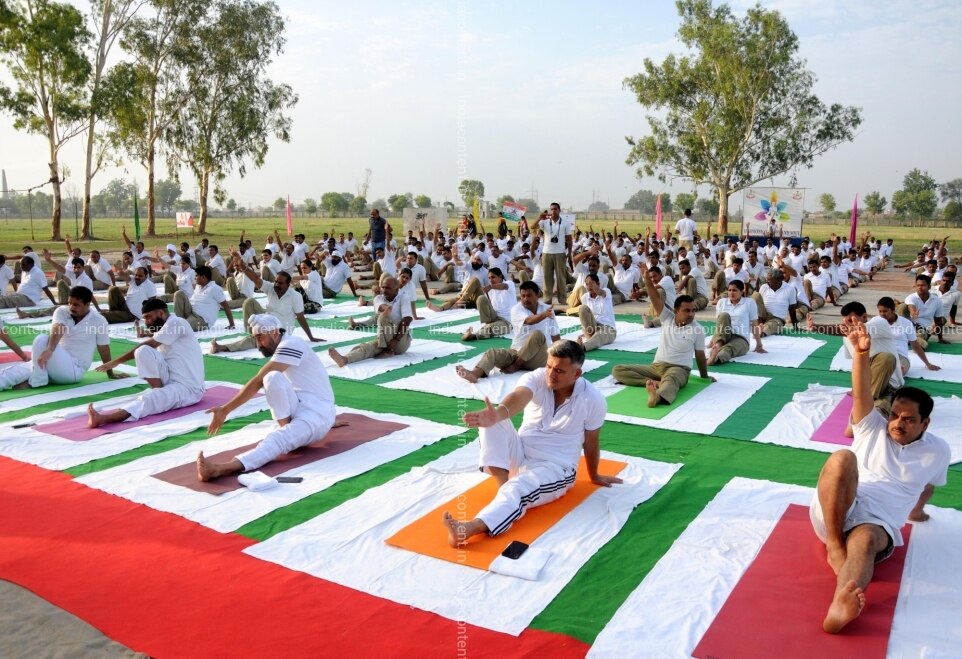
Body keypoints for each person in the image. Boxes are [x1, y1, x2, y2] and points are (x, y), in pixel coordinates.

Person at [810, 321, 949, 634]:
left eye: (908, 419)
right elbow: (862, 395)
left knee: (866, 540)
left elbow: (928, 485)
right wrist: (861, 355)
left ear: (925, 424)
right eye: (895, 415)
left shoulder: (938, 451)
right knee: (842, 457)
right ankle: (835, 546)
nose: (897, 423)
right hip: (835, 509)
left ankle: (838, 610)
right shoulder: (872, 426)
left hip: (878, 523)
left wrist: (917, 513)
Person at [442, 340, 622, 546]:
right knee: (493, 420)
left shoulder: (593, 399)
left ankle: (469, 528)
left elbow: (591, 442)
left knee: (517, 487)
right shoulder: (537, 377)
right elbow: (518, 396)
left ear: (577, 374)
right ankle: (503, 486)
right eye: (549, 366)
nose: (551, 374)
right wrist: (497, 414)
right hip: (519, 453)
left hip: (555, 467)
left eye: (559, 371)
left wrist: (594, 475)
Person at [197, 314, 339, 481]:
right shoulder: (284, 344)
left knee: (277, 438)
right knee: (272, 378)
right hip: (300, 402)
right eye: (256, 339)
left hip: (318, 411)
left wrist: (225, 410)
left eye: (260, 338)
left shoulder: (292, 344)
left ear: (275, 333)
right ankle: (291, 430)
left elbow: (257, 381)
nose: (258, 345)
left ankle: (222, 469)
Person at [88, 299, 205, 427]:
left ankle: (104, 419)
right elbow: (148, 341)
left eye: (149, 317)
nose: (147, 321)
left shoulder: (176, 322)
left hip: (188, 388)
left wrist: (116, 362)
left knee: (149, 399)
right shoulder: (164, 326)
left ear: (161, 313)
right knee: (142, 351)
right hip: (169, 377)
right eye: (144, 318)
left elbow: (150, 343)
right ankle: (159, 391)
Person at [612, 264, 714, 407]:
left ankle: (657, 397)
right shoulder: (667, 318)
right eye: (687, 310)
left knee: (671, 380)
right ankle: (654, 383)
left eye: (693, 310)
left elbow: (700, 355)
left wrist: (705, 377)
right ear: (676, 311)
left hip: (679, 369)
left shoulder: (698, 329)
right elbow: (655, 298)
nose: (691, 314)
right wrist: (647, 280)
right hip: (656, 367)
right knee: (618, 370)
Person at [0, 286, 122, 390]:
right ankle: (39, 378)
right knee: (8, 375)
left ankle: (38, 379)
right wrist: (50, 350)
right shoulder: (62, 311)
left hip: (73, 371)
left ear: (87, 304)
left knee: (41, 339)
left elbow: (103, 348)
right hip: (53, 362)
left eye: (76, 305)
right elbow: (58, 328)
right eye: (70, 303)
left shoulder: (99, 320)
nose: (71, 307)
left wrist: (110, 373)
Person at [212, 252, 323, 352]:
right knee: (249, 302)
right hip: (266, 321)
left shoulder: (295, 296)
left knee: (258, 338)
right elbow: (255, 279)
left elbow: (301, 318)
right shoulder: (271, 288)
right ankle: (253, 333)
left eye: (280, 283)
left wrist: (311, 337)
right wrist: (243, 266)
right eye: (276, 282)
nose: (276, 285)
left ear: (288, 284)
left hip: (280, 330)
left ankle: (224, 347)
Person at [456, 280, 560, 382]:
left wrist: (559, 356)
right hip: (517, 353)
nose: (525, 299)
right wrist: (544, 315)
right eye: (523, 296)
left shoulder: (547, 309)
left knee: (538, 335)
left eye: (529, 296)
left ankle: (516, 366)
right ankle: (474, 374)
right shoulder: (516, 309)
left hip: (538, 357)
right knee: (492, 353)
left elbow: (555, 334)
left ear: (538, 295)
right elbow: (529, 321)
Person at [328, 276, 412, 366]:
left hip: (401, 341)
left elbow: (407, 319)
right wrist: (386, 308)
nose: (384, 290)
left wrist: (396, 340)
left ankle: (389, 351)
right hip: (386, 340)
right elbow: (382, 307)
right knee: (368, 347)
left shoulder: (404, 298)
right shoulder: (378, 298)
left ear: (396, 289)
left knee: (383, 317)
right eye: (383, 287)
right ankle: (345, 359)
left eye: (388, 288)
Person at [708, 280, 765, 365]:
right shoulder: (722, 302)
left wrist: (759, 345)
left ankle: (714, 359)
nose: (731, 293)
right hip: (724, 336)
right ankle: (718, 344)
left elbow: (754, 325)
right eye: (729, 290)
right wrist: (712, 341)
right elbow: (719, 324)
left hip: (740, 338)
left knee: (728, 349)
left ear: (742, 292)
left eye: (734, 290)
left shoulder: (749, 302)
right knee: (724, 315)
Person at [173, 265, 237, 331]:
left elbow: (226, 306)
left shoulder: (214, 288)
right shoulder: (198, 286)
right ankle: (179, 320)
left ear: (203, 277)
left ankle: (181, 323)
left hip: (201, 319)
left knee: (180, 328)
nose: (194, 278)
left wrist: (232, 324)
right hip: (190, 311)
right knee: (178, 293)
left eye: (196, 276)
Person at [459, 267, 516, 342]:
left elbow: (504, 286)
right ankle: (487, 324)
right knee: (481, 298)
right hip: (494, 316)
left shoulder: (509, 283)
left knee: (493, 328)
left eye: (493, 277)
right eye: (489, 278)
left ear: (500, 276)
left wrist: (491, 287)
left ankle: (474, 336)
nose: (491, 280)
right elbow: (489, 305)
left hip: (507, 321)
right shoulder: (490, 289)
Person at [536, 202, 572, 305]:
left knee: (561, 277)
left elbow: (569, 238)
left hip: (560, 252)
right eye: (551, 209)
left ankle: (562, 299)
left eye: (555, 209)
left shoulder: (565, 223)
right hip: (547, 252)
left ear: (559, 210)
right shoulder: (545, 222)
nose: (553, 211)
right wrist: (539, 217)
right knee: (547, 277)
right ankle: (547, 299)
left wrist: (569, 252)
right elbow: (532, 227)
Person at [899, 274, 948, 348]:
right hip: (909, 327)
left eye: (923, 285)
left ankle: (916, 341)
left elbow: (938, 321)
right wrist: (914, 313)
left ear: (929, 287)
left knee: (920, 340)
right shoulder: (911, 297)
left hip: (924, 329)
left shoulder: (937, 301)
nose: (920, 287)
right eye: (918, 285)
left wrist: (940, 338)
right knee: (902, 306)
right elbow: (911, 307)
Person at [576, 273, 617, 352]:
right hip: (592, 327)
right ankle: (590, 338)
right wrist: (585, 332)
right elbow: (585, 319)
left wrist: (596, 288)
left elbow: (600, 292)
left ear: (598, 284)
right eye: (587, 284)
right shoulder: (584, 297)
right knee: (582, 308)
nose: (589, 286)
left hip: (607, 328)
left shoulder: (606, 292)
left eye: (591, 283)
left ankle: (583, 347)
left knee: (599, 336)